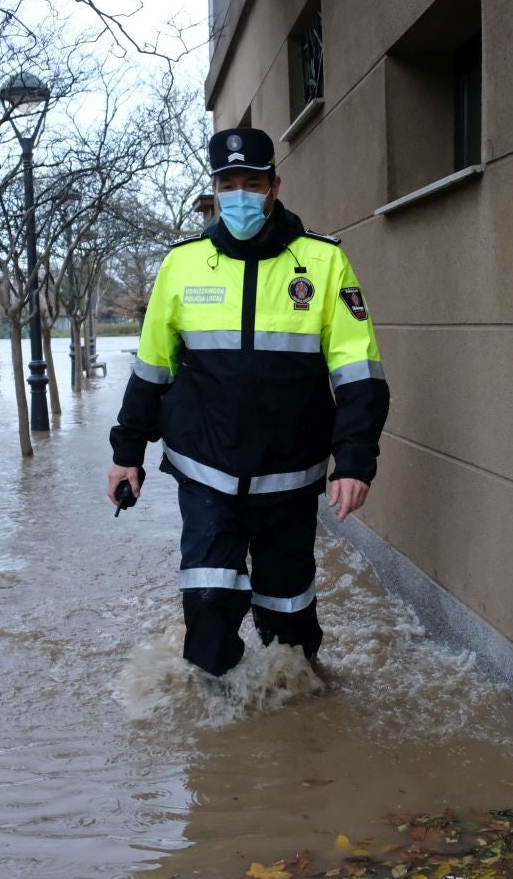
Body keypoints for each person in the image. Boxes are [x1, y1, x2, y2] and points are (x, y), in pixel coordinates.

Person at [107, 127, 389, 676]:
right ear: (214, 188)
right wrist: (127, 452)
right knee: (209, 613)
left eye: (252, 181)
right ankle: (217, 744)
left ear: (275, 185)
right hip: (206, 475)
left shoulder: (324, 263)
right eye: (228, 182)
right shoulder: (181, 265)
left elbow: (359, 374)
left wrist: (354, 461)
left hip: (289, 479)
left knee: (290, 627)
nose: (240, 193)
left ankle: (294, 730)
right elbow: (151, 370)